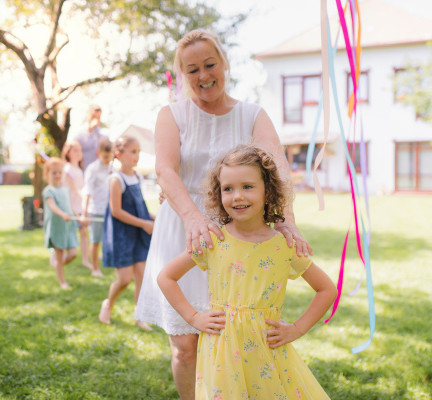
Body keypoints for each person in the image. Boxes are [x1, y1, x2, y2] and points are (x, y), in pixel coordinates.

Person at [134, 29, 313, 399]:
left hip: (239, 233)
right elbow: (165, 171)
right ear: (182, 74)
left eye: (209, 64)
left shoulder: (252, 115)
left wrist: (288, 221)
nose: (203, 76)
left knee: (235, 342)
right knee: (186, 348)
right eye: (192, 69)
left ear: (225, 63)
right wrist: (195, 219)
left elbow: (277, 167)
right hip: (184, 229)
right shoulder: (172, 115)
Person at [158, 144, 336, 399]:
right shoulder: (214, 239)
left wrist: (296, 329)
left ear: (268, 190)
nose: (237, 196)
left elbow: (327, 289)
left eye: (248, 186)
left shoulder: (284, 245)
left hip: (266, 347)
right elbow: (166, 277)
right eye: (228, 189)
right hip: (222, 350)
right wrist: (194, 318)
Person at [99, 136, 154, 331]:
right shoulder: (116, 179)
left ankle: (140, 316)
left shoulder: (138, 177)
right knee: (124, 279)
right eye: (133, 151)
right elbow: (116, 211)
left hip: (139, 234)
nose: (136, 156)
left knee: (140, 276)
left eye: (138, 151)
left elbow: (140, 208)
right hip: (122, 235)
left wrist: (152, 217)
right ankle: (108, 303)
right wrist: (144, 223)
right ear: (119, 155)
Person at [42, 157, 79, 290]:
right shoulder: (49, 191)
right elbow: (52, 206)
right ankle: (62, 281)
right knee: (60, 252)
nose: (57, 175)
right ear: (47, 174)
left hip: (68, 227)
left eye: (59, 172)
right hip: (58, 227)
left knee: (73, 254)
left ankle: (57, 264)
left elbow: (69, 206)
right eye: (54, 173)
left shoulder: (65, 189)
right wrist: (62, 214)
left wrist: (77, 215)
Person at [82, 137, 114, 277]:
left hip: (111, 210)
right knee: (95, 241)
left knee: (112, 240)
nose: (107, 159)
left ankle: (114, 267)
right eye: (105, 156)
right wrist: (84, 213)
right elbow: (87, 192)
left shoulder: (113, 168)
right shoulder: (92, 169)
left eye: (110, 156)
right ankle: (95, 268)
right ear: (98, 153)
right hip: (96, 211)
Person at [61, 140, 94, 272]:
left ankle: (85, 260)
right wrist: (72, 209)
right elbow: (69, 191)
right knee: (68, 234)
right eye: (75, 150)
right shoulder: (67, 169)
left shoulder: (79, 169)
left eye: (80, 150)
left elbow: (81, 190)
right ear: (68, 153)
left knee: (84, 233)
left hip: (80, 206)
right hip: (71, 207)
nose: (79, 153)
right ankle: (60, 258)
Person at [77, 105, 107, 169]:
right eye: (93, 116)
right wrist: (89, 129)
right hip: (84, 171)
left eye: (98, 117)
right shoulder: (80, 134)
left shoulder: (102, 134)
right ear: (88, 115)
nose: (96, 120)